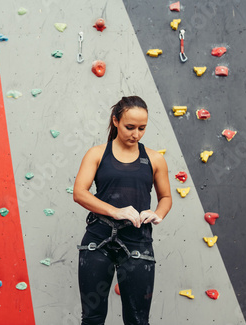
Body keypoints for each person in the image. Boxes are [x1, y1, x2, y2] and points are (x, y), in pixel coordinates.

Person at [73, 96, 172, 325]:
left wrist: (158, 213)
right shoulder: (97, 154)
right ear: (116, 120)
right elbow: (80, 193)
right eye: (130, 127)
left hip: (138, 241)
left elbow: (166, 197)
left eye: (142, 128)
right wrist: (115, 211)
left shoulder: (155, 159)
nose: (135, 134)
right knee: (92, 319)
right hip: (98, 242)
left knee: (138, 321)